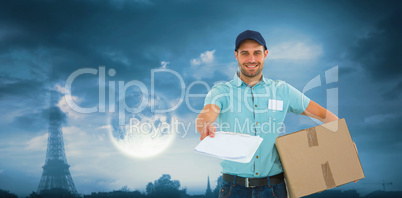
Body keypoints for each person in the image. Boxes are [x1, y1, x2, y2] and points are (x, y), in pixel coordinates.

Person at [196, 30, 339, 198]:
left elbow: (323, 114)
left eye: (257, 53)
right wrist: (204, 124)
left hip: (273, 189)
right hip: (233, 190)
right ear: (236, 55)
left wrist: (345, 141)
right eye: (245, 54)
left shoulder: (282, 90)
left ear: (265, 54)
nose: (251, 59)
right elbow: (207, 114)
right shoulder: (221, 91)